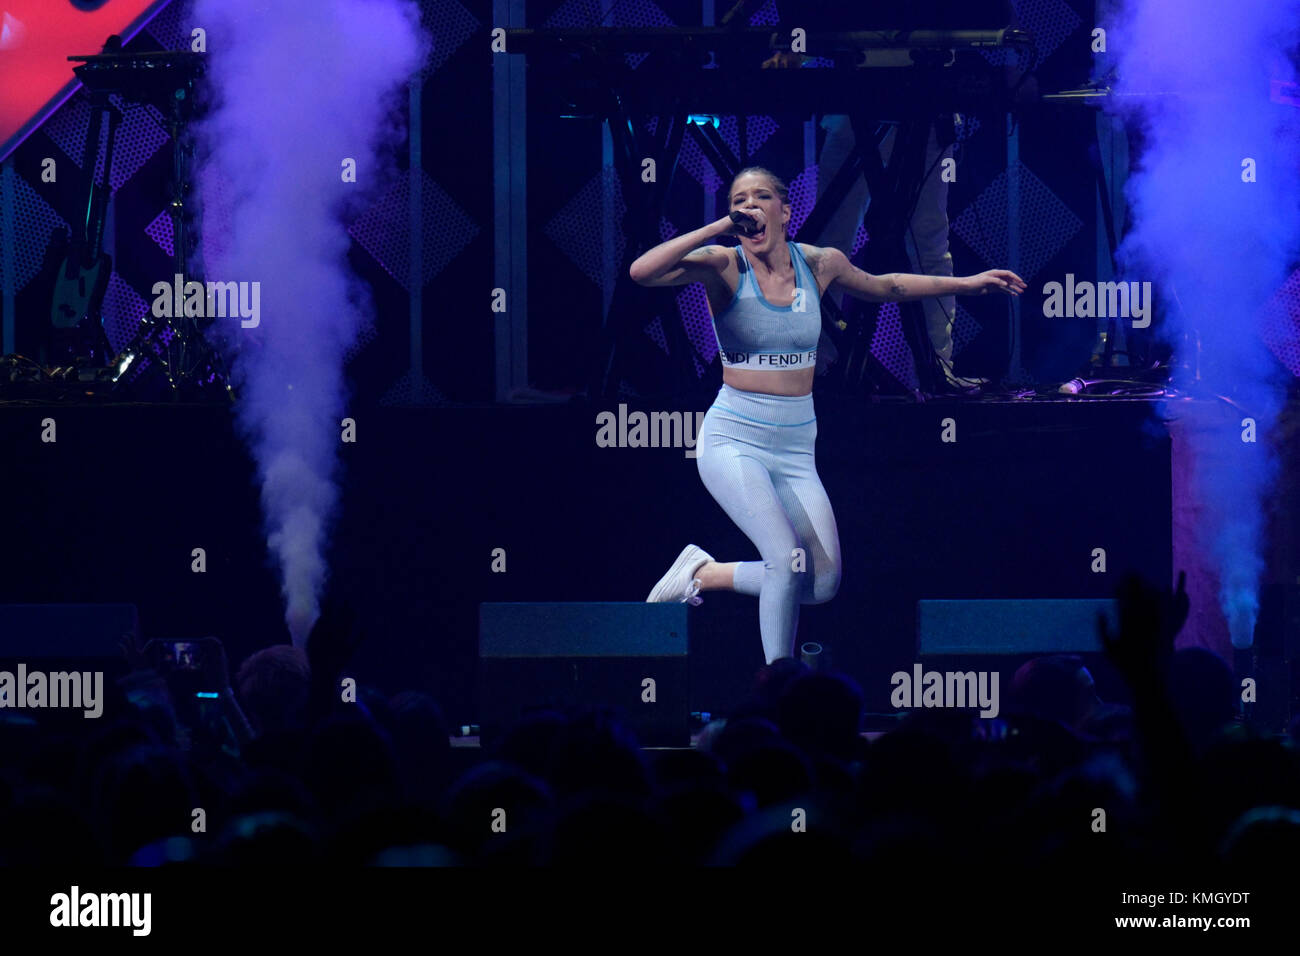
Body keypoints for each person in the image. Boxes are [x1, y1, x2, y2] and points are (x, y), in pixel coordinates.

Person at [630, 167, 1024, 663]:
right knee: (781, 561)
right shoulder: (723, 263)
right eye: (739, 199)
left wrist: (966, 284)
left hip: (795, 447)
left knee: (820, 581)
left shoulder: (820, 263)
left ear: (785, 211)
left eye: (761, 197)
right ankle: (779, 684)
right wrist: (715, 228)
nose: (749, 206)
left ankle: (704, 574)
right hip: (733, 439)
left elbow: (888, 286)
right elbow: (642, 273)